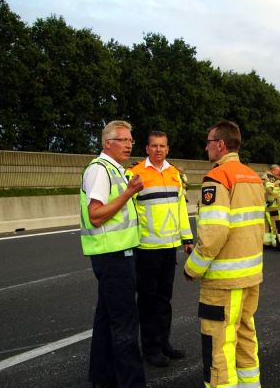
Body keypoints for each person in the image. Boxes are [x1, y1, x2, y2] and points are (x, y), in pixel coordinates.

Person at [183, 120, 265, 388]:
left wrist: (192, 268)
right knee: (244, 336)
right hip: (250, 276)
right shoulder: (252, 176)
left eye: (208, 142)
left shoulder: (217, 178)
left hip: (223, 281)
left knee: (217, 344)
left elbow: (213, 235)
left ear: (220, 144)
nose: (206, 147)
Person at [79, 120, 146, 388]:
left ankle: (102, 378)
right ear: (108, 143)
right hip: (113, 256)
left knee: (107, 320)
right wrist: (129, 192)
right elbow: (96, 215)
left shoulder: (115, 170)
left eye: (131, 140)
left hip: (117, 254)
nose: (130, 145)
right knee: (125, 326)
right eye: (124, 140)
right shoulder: (100, 170)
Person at [126, 131, 194, 367]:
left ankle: (164, 343)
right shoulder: (134, 173)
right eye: (153, 146)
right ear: (146, 148)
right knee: (147, 301)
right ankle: (151, 349)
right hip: (145, 249)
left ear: (167, 148)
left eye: (162, 146)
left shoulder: (175, 174)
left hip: (169, 248)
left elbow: (181, 210)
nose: (158, 150)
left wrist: (187, 238)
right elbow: (128, 211)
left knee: (164, 300)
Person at [262, 164, 280, 249]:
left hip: (266, 204)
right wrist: (277, 196)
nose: (278, 174)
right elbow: (269, 189)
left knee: (266, 225)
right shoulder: (270, 177)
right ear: (273, 170)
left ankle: (266, 242)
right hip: (272, 205)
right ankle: (278, 243)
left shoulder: (264, 176)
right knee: (275, 224)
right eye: (277, 172)